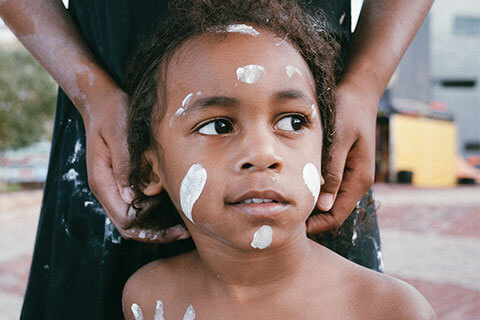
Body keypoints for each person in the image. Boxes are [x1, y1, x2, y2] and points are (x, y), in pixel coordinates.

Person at [0, 0, 433, 318]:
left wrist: (367, 80)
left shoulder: (386, 309)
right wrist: (90, 91)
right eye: (219, 126)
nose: (263, 154)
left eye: (293, 121)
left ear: (326, 142)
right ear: (147, 166)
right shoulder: (147, 298)